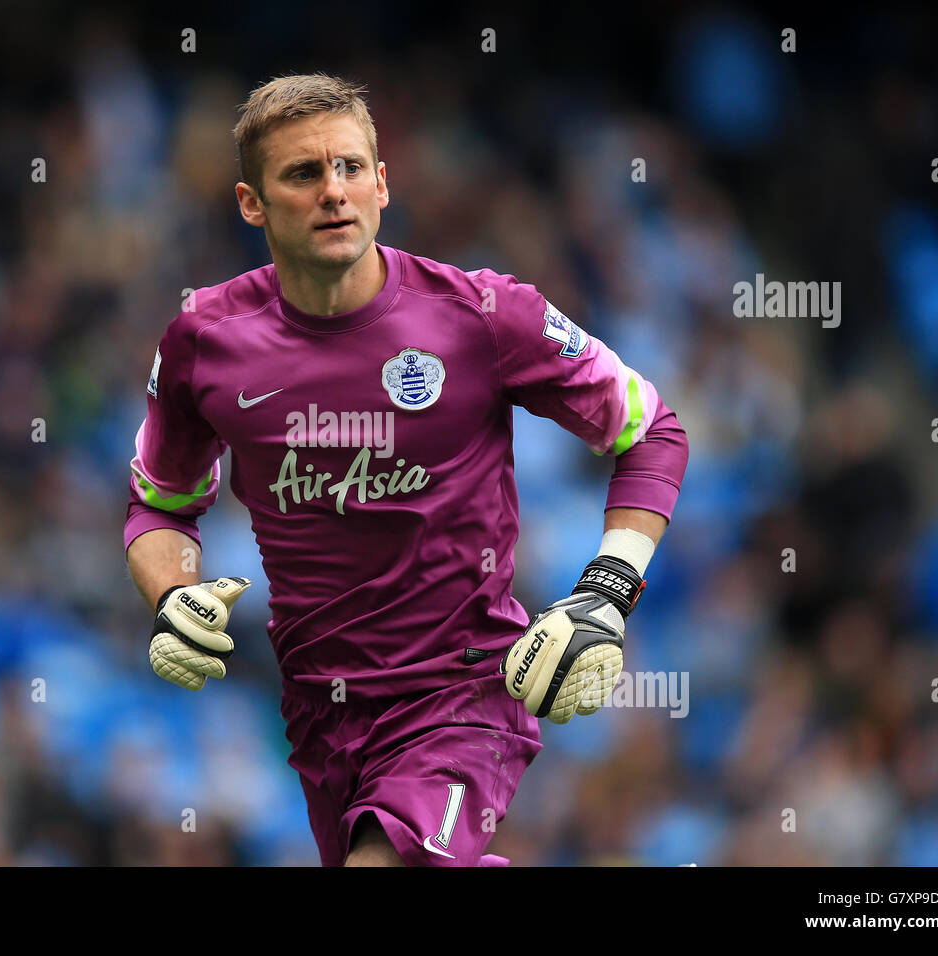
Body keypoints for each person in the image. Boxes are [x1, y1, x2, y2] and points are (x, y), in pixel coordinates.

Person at [124, 73, 688, 866]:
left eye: (351, 168)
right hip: (319, 714)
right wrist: (173, 594)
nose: (334, 192)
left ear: (383, 184)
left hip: (462, 694)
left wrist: (606, 593)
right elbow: (161, 506)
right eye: (304, 174)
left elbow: (650, 430)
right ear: (252, 203)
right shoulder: (203, 342)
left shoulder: (484, 315)